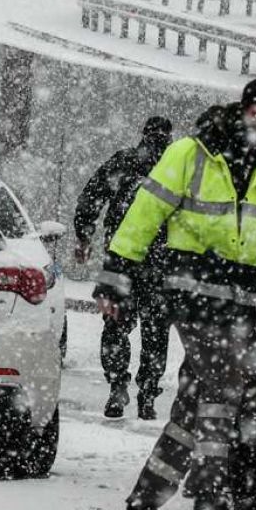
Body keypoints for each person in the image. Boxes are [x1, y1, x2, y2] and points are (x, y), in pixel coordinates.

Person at [99, 76, 256, 510]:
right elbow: (145, 211)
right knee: (222, 393)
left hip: (246, 303)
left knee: (192, 413)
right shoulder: (191, 153)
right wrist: (117, 272)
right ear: (252, 112)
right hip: (194, 296)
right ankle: (211, 506)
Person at [76, 116, 174, 420]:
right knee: (156, 332)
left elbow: (92, 195)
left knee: (115, 325)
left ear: (143, 135)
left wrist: (84, 233)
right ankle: (147, 394)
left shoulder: (126, 161)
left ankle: (118, 387)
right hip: (161, 263)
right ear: (168, 139)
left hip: (120, 260)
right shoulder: (174, 169)